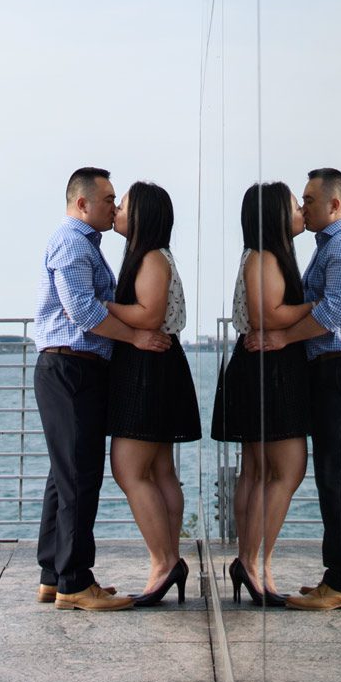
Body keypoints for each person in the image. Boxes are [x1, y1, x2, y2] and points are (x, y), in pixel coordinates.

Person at [34, 166, 170, 611]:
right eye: (109, 198)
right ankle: (75, 582)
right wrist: (134, 337)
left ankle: (54, 575)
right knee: (79, 476)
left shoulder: (84, 244)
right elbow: (82, 312)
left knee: (65, 475)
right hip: (71, 368)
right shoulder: (73, 243)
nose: (114, 206)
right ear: (82, 203)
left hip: (75, 368)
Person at [246, 166, 341, 610]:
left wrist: (283, 337)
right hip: (339, 367)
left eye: (309, 199)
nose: (303, 206)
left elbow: (338, 309)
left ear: (335, 204)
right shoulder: (330, 245)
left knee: (337, 475)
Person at [211, 182, 311, 606]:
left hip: (261, 365)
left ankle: (249, 563)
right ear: (274, 213)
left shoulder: (261, 256)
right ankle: (256, 565)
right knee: (287, 470)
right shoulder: (266, 258)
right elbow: (267, 316)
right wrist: (322, 305)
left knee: (257, 472)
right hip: (268, 368)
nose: (301, 209)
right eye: (293, 203)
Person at [103, 181, 201, 606]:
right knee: (159, 470)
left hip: (149, 366)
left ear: (141, 215)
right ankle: (167, 561)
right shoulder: (150, 256)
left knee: (129, 468)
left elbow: (150, 315)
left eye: (123, 204)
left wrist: (98, 303)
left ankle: (164, 562)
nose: (117, 210)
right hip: (155, 365)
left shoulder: (151, 259)